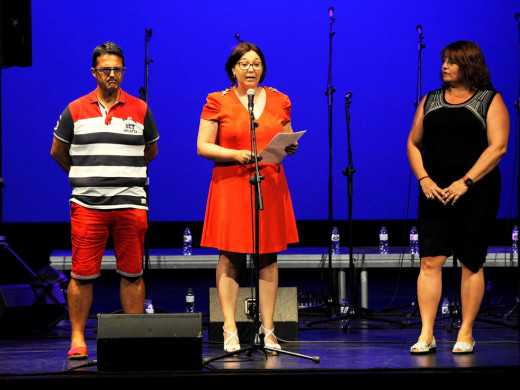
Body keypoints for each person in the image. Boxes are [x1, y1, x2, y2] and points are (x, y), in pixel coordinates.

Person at [51, 42, 159, 359]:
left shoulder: (140, 109)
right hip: (87, 205)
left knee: (132, 272)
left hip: (130, 204)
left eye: (118, 69)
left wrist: (124, 173)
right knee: (82, 274)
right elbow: (58, 151)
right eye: (106, 69)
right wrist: (86, 175)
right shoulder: (74, 109)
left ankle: (134, 338)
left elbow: (150, 150)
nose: (112, 75)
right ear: (94, 72)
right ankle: (77, 340)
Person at [407, 40, 509, 354]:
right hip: (435, 192)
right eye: (443, 61)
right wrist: (423, 179)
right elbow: (413, 143)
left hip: (476, 193)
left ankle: (466, 332)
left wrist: (465, 182)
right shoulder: (432, 99)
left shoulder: (489, 100)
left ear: (469, 64)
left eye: (451, 62)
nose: (444, 67)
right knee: (430, 260)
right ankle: (427, 333)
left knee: (471, 262)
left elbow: (498, 147)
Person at [197, 42, 299, 353]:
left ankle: (268, 330)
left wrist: (290, 146)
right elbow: (203, 146)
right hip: (231, 184)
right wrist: (236, 154)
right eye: (244, 64)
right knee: (230, 256)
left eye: (256, 64)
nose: (251, 69)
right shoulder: (218, 101)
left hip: (269, 184)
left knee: (268, 256)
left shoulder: (280, 99)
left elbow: (286, 136)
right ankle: (230, 328)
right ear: (233, 69)